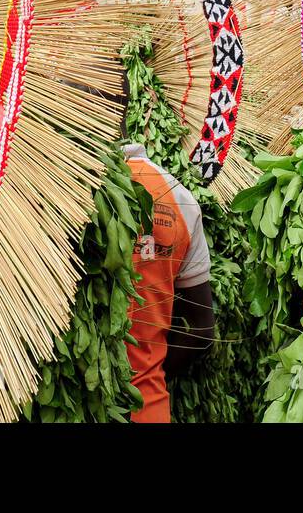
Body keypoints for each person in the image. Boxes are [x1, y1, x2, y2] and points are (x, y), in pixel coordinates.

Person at [122, 141, 215, 423]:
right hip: (148, 407)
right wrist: (152, 374)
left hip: (76, 408)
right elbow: (202, 330)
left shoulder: (67, 193)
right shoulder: (179, 197)